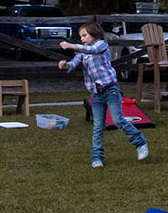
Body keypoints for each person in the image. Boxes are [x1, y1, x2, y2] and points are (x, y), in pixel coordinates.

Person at [59, 22, 149, 168]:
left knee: (118, 120)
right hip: (96, 94)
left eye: (84, 35)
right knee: (98, 126)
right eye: (80, 37)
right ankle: (96, 158)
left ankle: (140, 143)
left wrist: (71, 45)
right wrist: (65, 65)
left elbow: (92, 50)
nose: (81, 39)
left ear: (94, 33)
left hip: (111, 90)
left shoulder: (101, 45)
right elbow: (74, 63)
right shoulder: (82, 52)